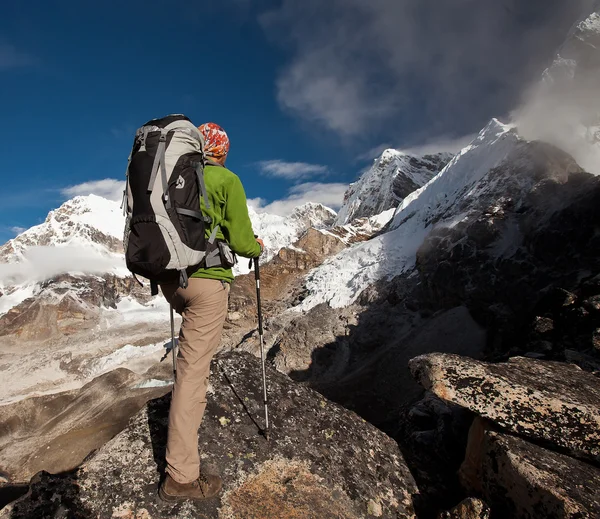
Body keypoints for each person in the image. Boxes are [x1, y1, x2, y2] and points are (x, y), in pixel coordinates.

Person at [159, 122, 263, 502]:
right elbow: (241, 239)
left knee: (188, 364)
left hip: (173, 281)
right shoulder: (225, 179)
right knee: (192, 375)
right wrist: (257, 248)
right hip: (207, 281)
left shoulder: (172, 176)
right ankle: (181, 478)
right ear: (222, 150)